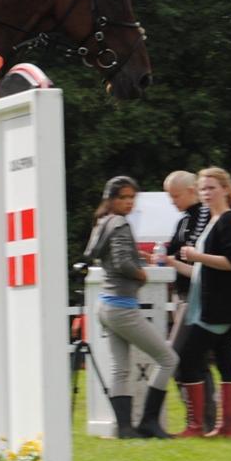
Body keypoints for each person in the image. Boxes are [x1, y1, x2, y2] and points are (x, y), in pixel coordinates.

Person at [84, 175, 179, 438]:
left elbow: (104, 256)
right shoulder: (121, 224)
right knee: (168, 359)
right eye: (122, 198)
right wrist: (142, 274)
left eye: (131, 198)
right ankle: (149, 422)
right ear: (111, 199)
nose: (128, 203)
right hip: (122, 307)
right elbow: (123, 262)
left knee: (121, 369)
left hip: (105, 305)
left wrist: (138, 256)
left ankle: (125, 428)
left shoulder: (102, 223)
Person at [165, 166, 231, 437]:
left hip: (218, 309)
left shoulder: (228, 221)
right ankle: (227, 427)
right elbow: (200, 273)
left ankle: (196, 425)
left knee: (187, 358)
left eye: (212, 187)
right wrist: (173, 262)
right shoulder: (214, 221)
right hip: (209, 304)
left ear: (225, 189)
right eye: (203, 189)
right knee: (224, 363)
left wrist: (197, 256)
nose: (207, 193)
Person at [159, 170, 215, 430]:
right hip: (182, 296)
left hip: (197, 297)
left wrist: (172, 260)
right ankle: (201, 421)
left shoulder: (204, 216)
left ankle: (200, 420)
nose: (172, 201)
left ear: (191, 190)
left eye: (176, 195)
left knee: (179, 356)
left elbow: (194, 259)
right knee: (192, 359)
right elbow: (171, 253)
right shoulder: (182, 221)